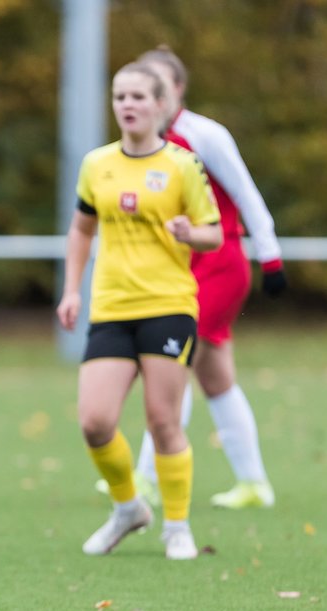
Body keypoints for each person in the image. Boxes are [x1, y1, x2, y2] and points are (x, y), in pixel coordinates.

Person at [57, 63, 222, 561]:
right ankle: (128, 508)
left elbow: (214, 232)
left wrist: (191, 233)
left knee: (162, 420)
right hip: (111, 307)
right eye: (119, 96)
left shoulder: (182, 165)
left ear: (159, 105)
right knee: (95, 421)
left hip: (169, 305)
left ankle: (177, 526)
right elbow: (82, 229)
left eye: (137, 97)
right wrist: (71, 291)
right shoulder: (97, 164)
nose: (127, 105)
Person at [129, 47, 285, 510]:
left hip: (220, 265)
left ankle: (146, 478)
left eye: (158, 85)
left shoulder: (205, 135)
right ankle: (254, 484)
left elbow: (246, 193)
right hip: (182, 268)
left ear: (176, 90)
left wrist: (271, 258)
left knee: (171, 360)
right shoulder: (144, 144)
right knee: (214, 377)